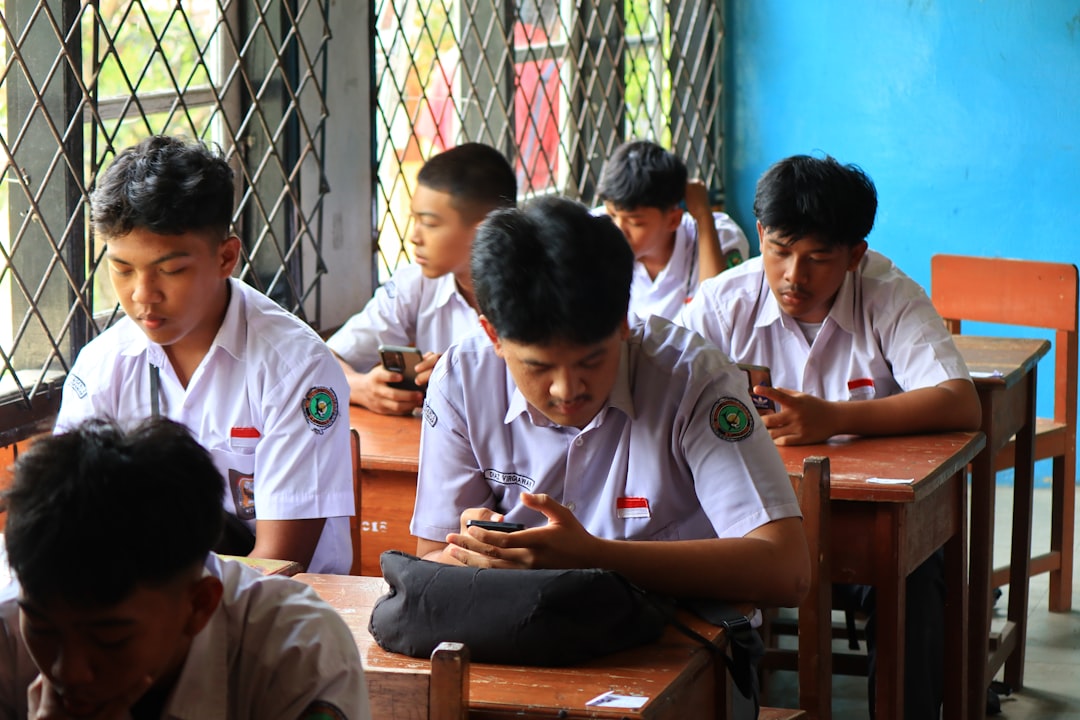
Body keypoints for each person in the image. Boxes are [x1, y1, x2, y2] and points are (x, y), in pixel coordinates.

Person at [679, 154, 982, 720]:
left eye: (818, 258)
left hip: (863, 514)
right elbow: (665, 398)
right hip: (747, 516)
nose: (794, 276)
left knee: (914, 581)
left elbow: (958, 400)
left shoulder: (889, 295)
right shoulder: (723, 303)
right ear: (760, 234)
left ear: (855, 254)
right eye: (780, 251)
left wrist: (835, 418)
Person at [410, 195, 809, 610]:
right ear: (493, 335)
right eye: (538, 366)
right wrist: (478, 553)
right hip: (519, 628)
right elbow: (432, 557)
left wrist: (593, 558)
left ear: (623, 323)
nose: (566, 390)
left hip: (676, 632)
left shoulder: (695, 379)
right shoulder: (461, 379)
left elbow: (787, 571)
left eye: (591, 361)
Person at [55, 135, 354, 574]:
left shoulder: (295, 369)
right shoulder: (103, 365)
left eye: (171, 270)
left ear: (226, 257)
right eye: (122, 269)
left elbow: (278, 565)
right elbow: (67, 520)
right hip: (142, 595)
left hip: (280, 604)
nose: (143, 295)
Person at [0, 417, 370, 720]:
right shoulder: (7, 633)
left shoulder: (297, 654)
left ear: (199, 605)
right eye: (42, 628)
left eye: (109, 638)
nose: (69, 672)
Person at [327, 143, 517, 415]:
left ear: (482, 231)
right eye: (414, 219)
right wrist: (360, 388)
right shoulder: (415, 284)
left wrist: (464, 377)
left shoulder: (541, 290)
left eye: (429, 223)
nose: (414, 237)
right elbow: (326, 357)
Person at [594, 140, 750, 323]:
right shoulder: (592, 231)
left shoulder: (720, 235)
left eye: (635, 222)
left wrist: (703, 216)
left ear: (673, 220)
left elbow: (719, 321)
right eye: (612, 215)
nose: (618, 230)